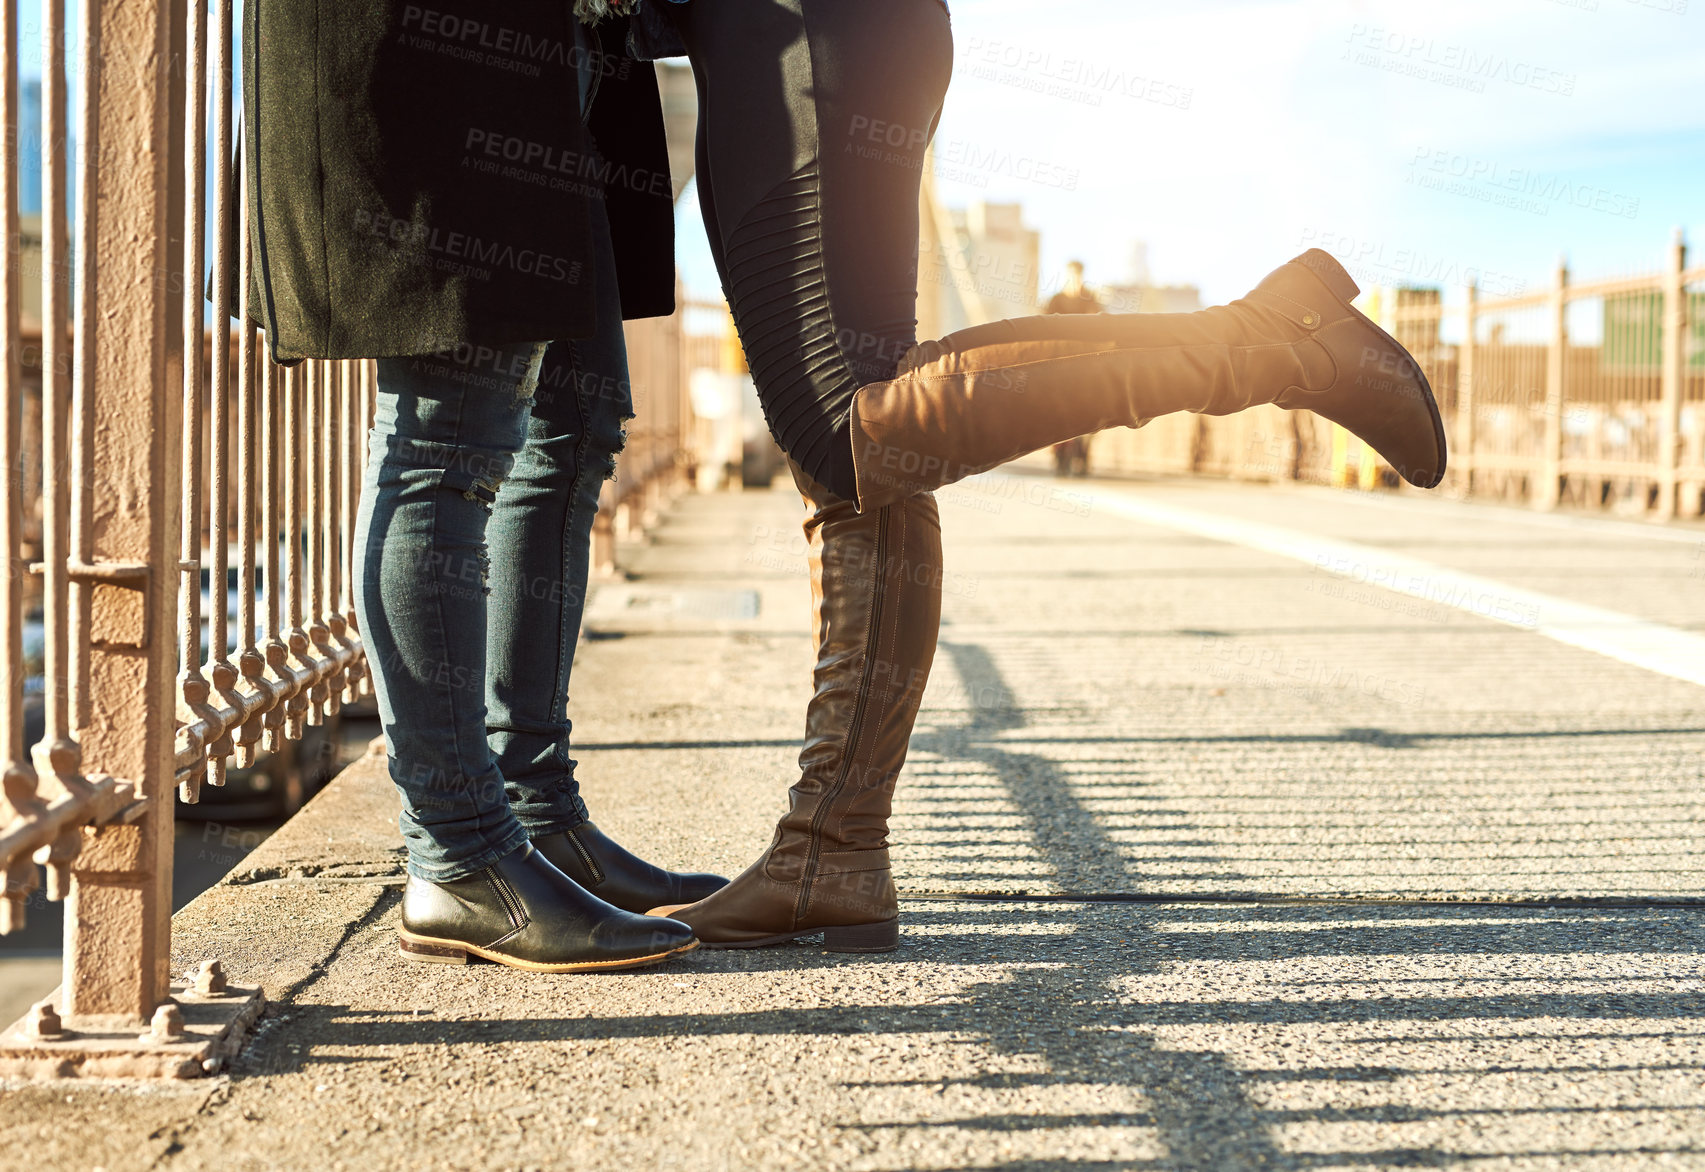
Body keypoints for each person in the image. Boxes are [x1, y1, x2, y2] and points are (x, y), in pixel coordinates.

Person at [634, 0, 1445, 952]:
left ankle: (1273, 345)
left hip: (797, 32)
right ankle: (832, 850)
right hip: (802, 38)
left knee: (844, 427)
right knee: (862, 454)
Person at [242, 1, 723, 971]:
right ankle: (460, 853)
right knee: (447, 438)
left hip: (564, 46)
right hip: (441, 48)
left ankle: (536, 811)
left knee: (574, 423)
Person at [1043, 261, 1104, 476]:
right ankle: (1060, 457)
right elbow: (1042, 331)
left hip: (1086, 364)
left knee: (1089, 409)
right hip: (1059, 364)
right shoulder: (1055, 301)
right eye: (1072, 276)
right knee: (1058, 412)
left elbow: (1103, 328)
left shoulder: (1091, 300)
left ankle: (1083, 456)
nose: (1075, 280)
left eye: (1078, 276)